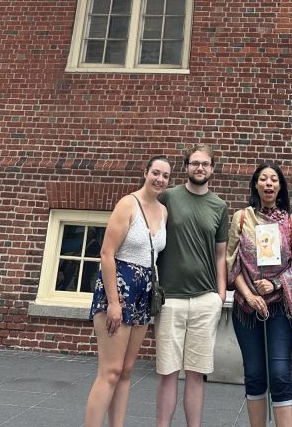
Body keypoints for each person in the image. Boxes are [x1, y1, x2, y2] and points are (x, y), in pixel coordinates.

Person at [85, 155, 171, 427]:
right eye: (155, 172)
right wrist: (113, 302)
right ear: (145, 172)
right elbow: (107, 252)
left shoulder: (163, 211)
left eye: (165, 176)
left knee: (125, 371)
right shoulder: (127, 204)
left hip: (144, 293)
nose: (159, 179)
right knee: (109, 371)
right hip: (119, 289)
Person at [227, 162, 292, 427]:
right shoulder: (241, 218)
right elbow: (231, 262)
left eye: (274, 179)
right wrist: (249, 295)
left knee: (279, 374)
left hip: (279, 308)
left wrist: (275, 284)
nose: (268, 184)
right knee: (253, 374)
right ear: (255, 184)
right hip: (247, 307)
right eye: (263, 179)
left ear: (280, 187)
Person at [155, 144, 229, 427]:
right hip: (170, 299)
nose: (200, 168)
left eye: (205, 164)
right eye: (195, 163)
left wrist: (219, 295)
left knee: (196, 374)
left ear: (212, 169)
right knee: (167, 372)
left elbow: (221, 254)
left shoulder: (219, 206)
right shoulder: (168, 197)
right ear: (186, 166)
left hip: (204, 299)